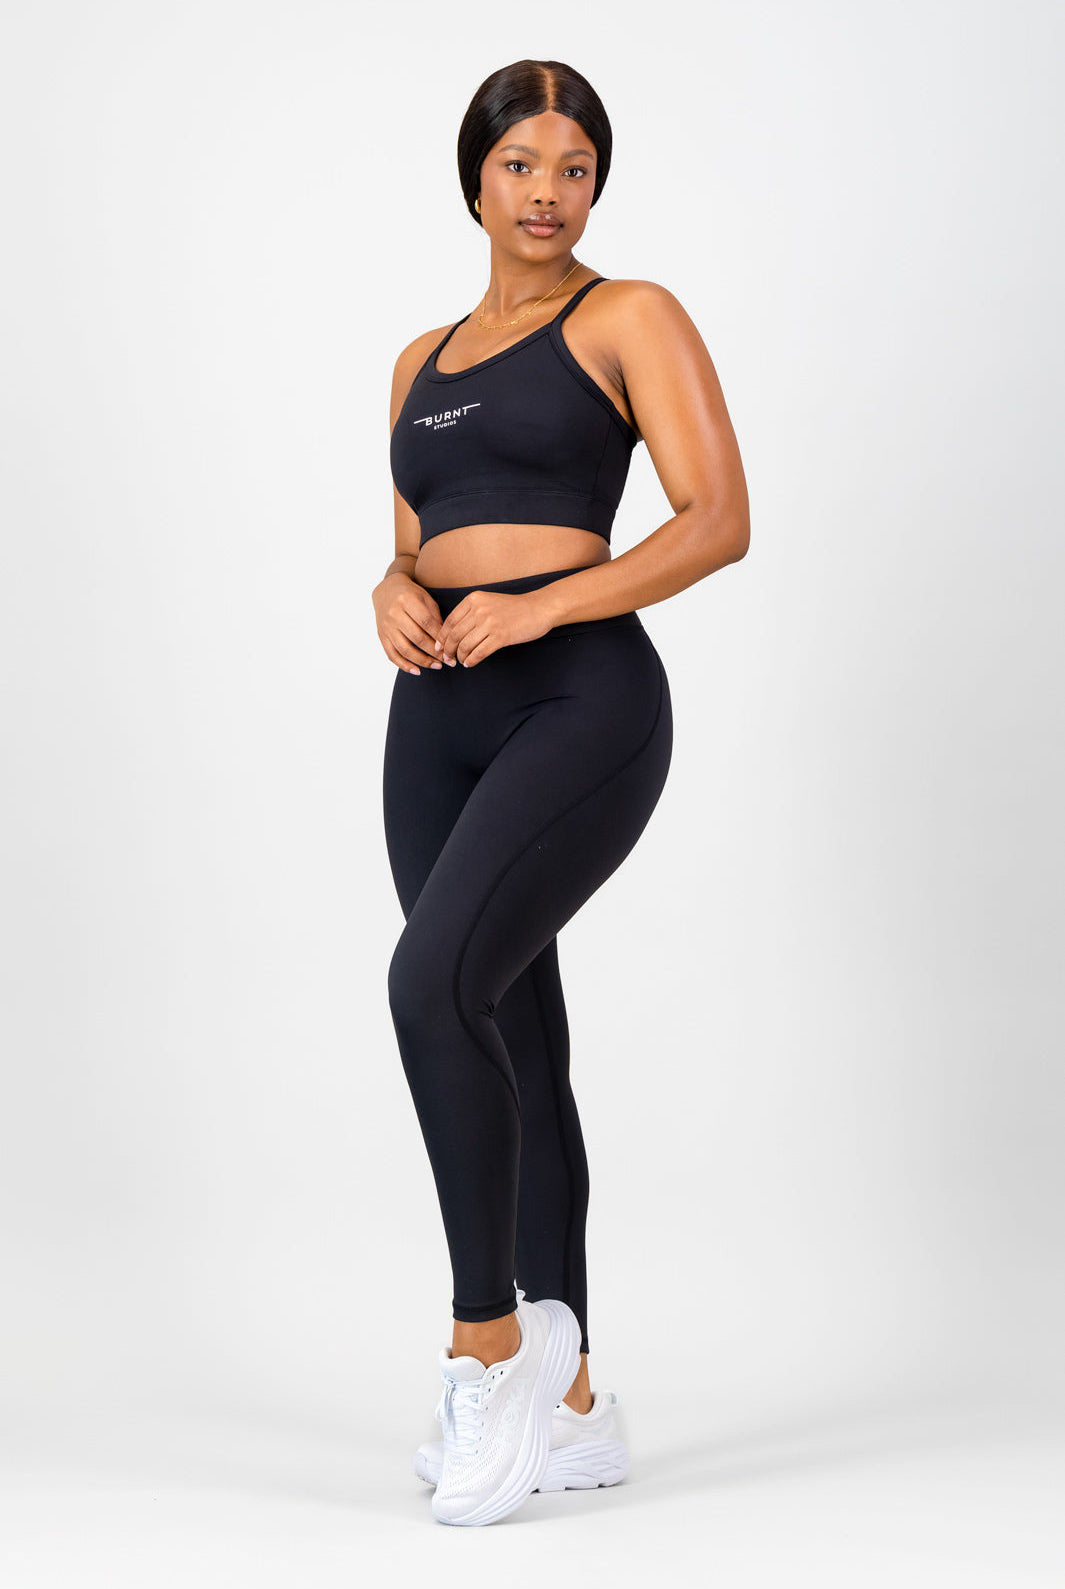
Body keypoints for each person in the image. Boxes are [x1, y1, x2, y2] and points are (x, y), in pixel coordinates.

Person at [375, 58, 749, 1527]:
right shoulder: (419, 361)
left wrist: (543, 606)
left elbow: (717, 518)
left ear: (597, 185)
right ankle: (577, 1401)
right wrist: (387, 585)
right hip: (434, 715)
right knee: (504, 1022)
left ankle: (489, 1347)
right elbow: (417, 538)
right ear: (474, 177)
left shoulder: (628, 315)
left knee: (428, 985)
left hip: (579, 695)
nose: (547, 193)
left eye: (575, 167)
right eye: (521, 164)